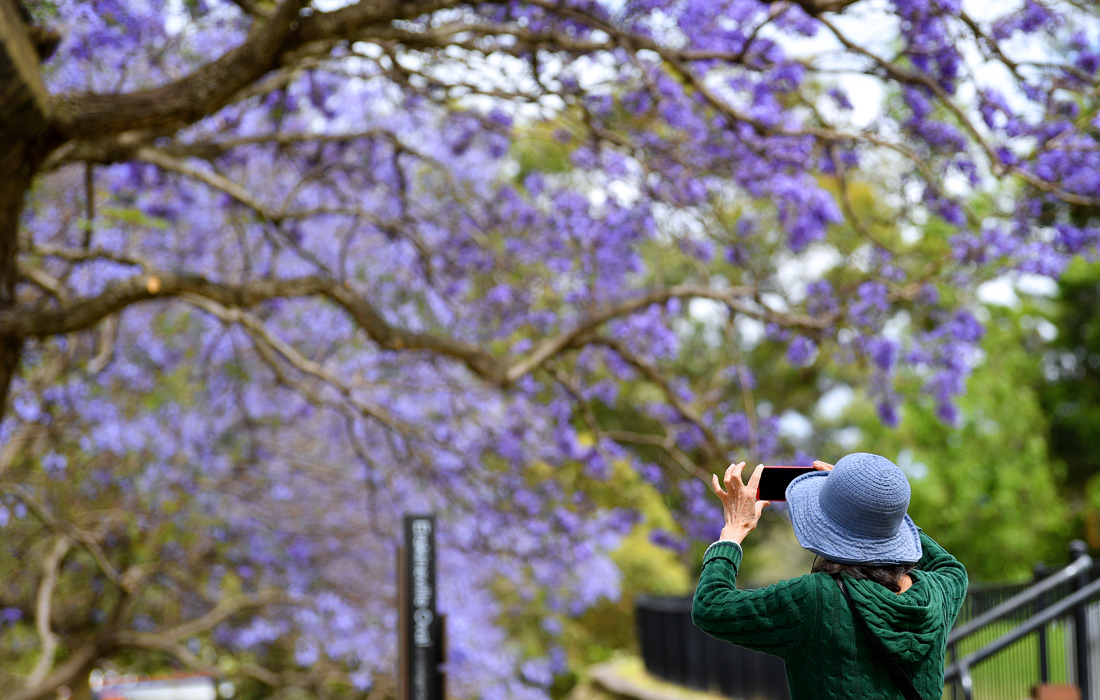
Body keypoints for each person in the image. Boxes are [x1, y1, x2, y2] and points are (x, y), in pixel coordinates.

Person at [691, 452, 968, 700]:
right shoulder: (939, 592)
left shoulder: (813, 599)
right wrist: (882, 511)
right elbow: (952, 568)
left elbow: (711, 606)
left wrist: (733, 531)